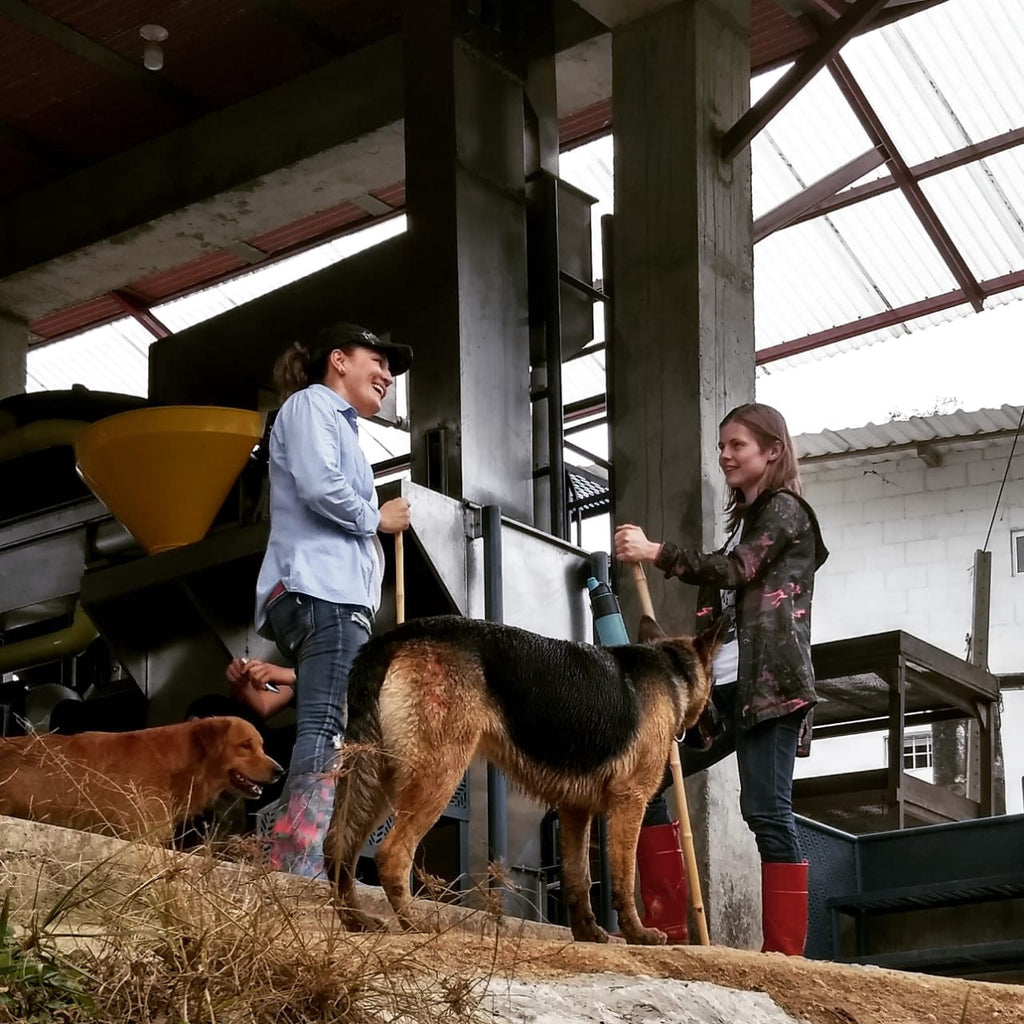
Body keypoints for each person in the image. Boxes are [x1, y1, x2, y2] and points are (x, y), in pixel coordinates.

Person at [614, 402, 828, 955]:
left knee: (765, 812)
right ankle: (669, 929)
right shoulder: (746, 526)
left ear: (772, 451)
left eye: (738, 445)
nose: (725, 455)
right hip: (721, 688)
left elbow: (736, 571)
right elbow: (728, 589)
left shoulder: (788, 513)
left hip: (771, 690)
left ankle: (784, 955)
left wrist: (657, 552)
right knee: (647, 783)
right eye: (722, 446)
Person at [254, 322, 412, 878]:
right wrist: (377, 516)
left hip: (333, 597)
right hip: (323, 592)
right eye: (380, 360)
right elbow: (321, 487)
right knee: (327, 727)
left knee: (331, 725)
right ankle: (295, 862)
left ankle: (299, 855)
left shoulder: (335, 424)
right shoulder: (311, 407)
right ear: (339, 360)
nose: (389, 375)